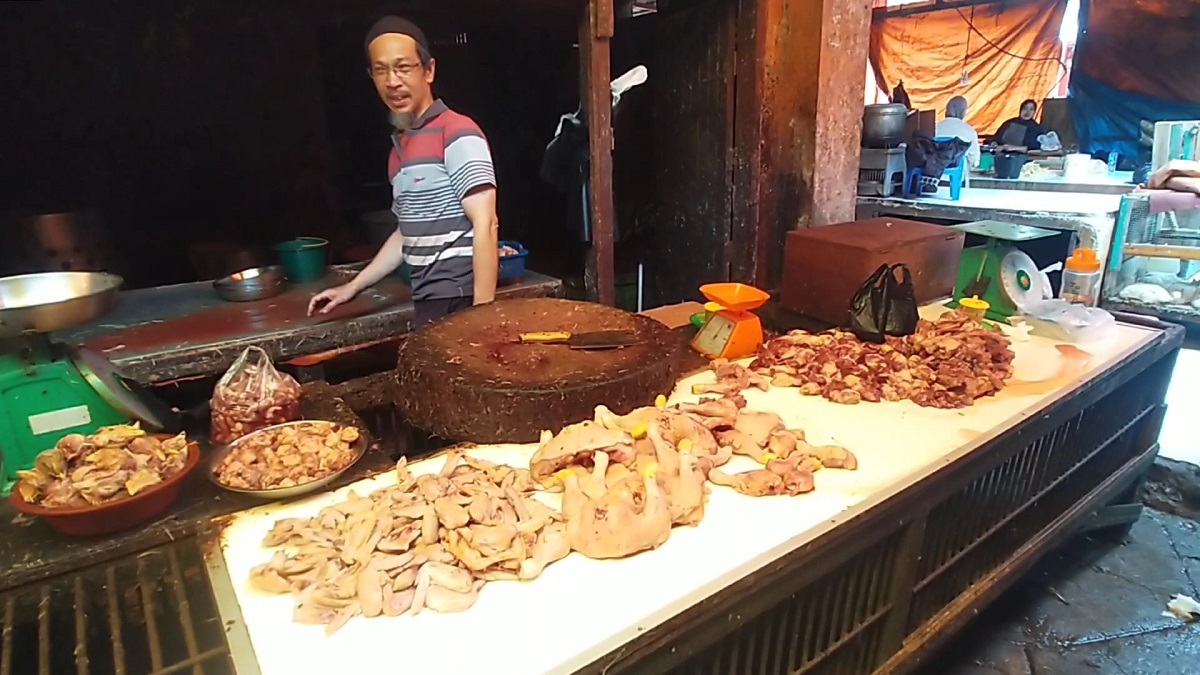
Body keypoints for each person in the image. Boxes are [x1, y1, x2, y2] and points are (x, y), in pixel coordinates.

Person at [308, 16, 499, 328]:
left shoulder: (457, 132)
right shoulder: (399, 150)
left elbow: (486, 223)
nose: (392, 81)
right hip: (428, 297)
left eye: (403, 67)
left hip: (460, 297)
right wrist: (351, 288)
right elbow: (405, 233)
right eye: (381, 70)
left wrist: (482, 317)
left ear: (429, 70)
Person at [935, 96, 980, 168]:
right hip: (957, 176)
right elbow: (974, 160)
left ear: (946, 110)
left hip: (933, 173)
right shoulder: (970, 131)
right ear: (963, 112)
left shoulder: (934, 127)